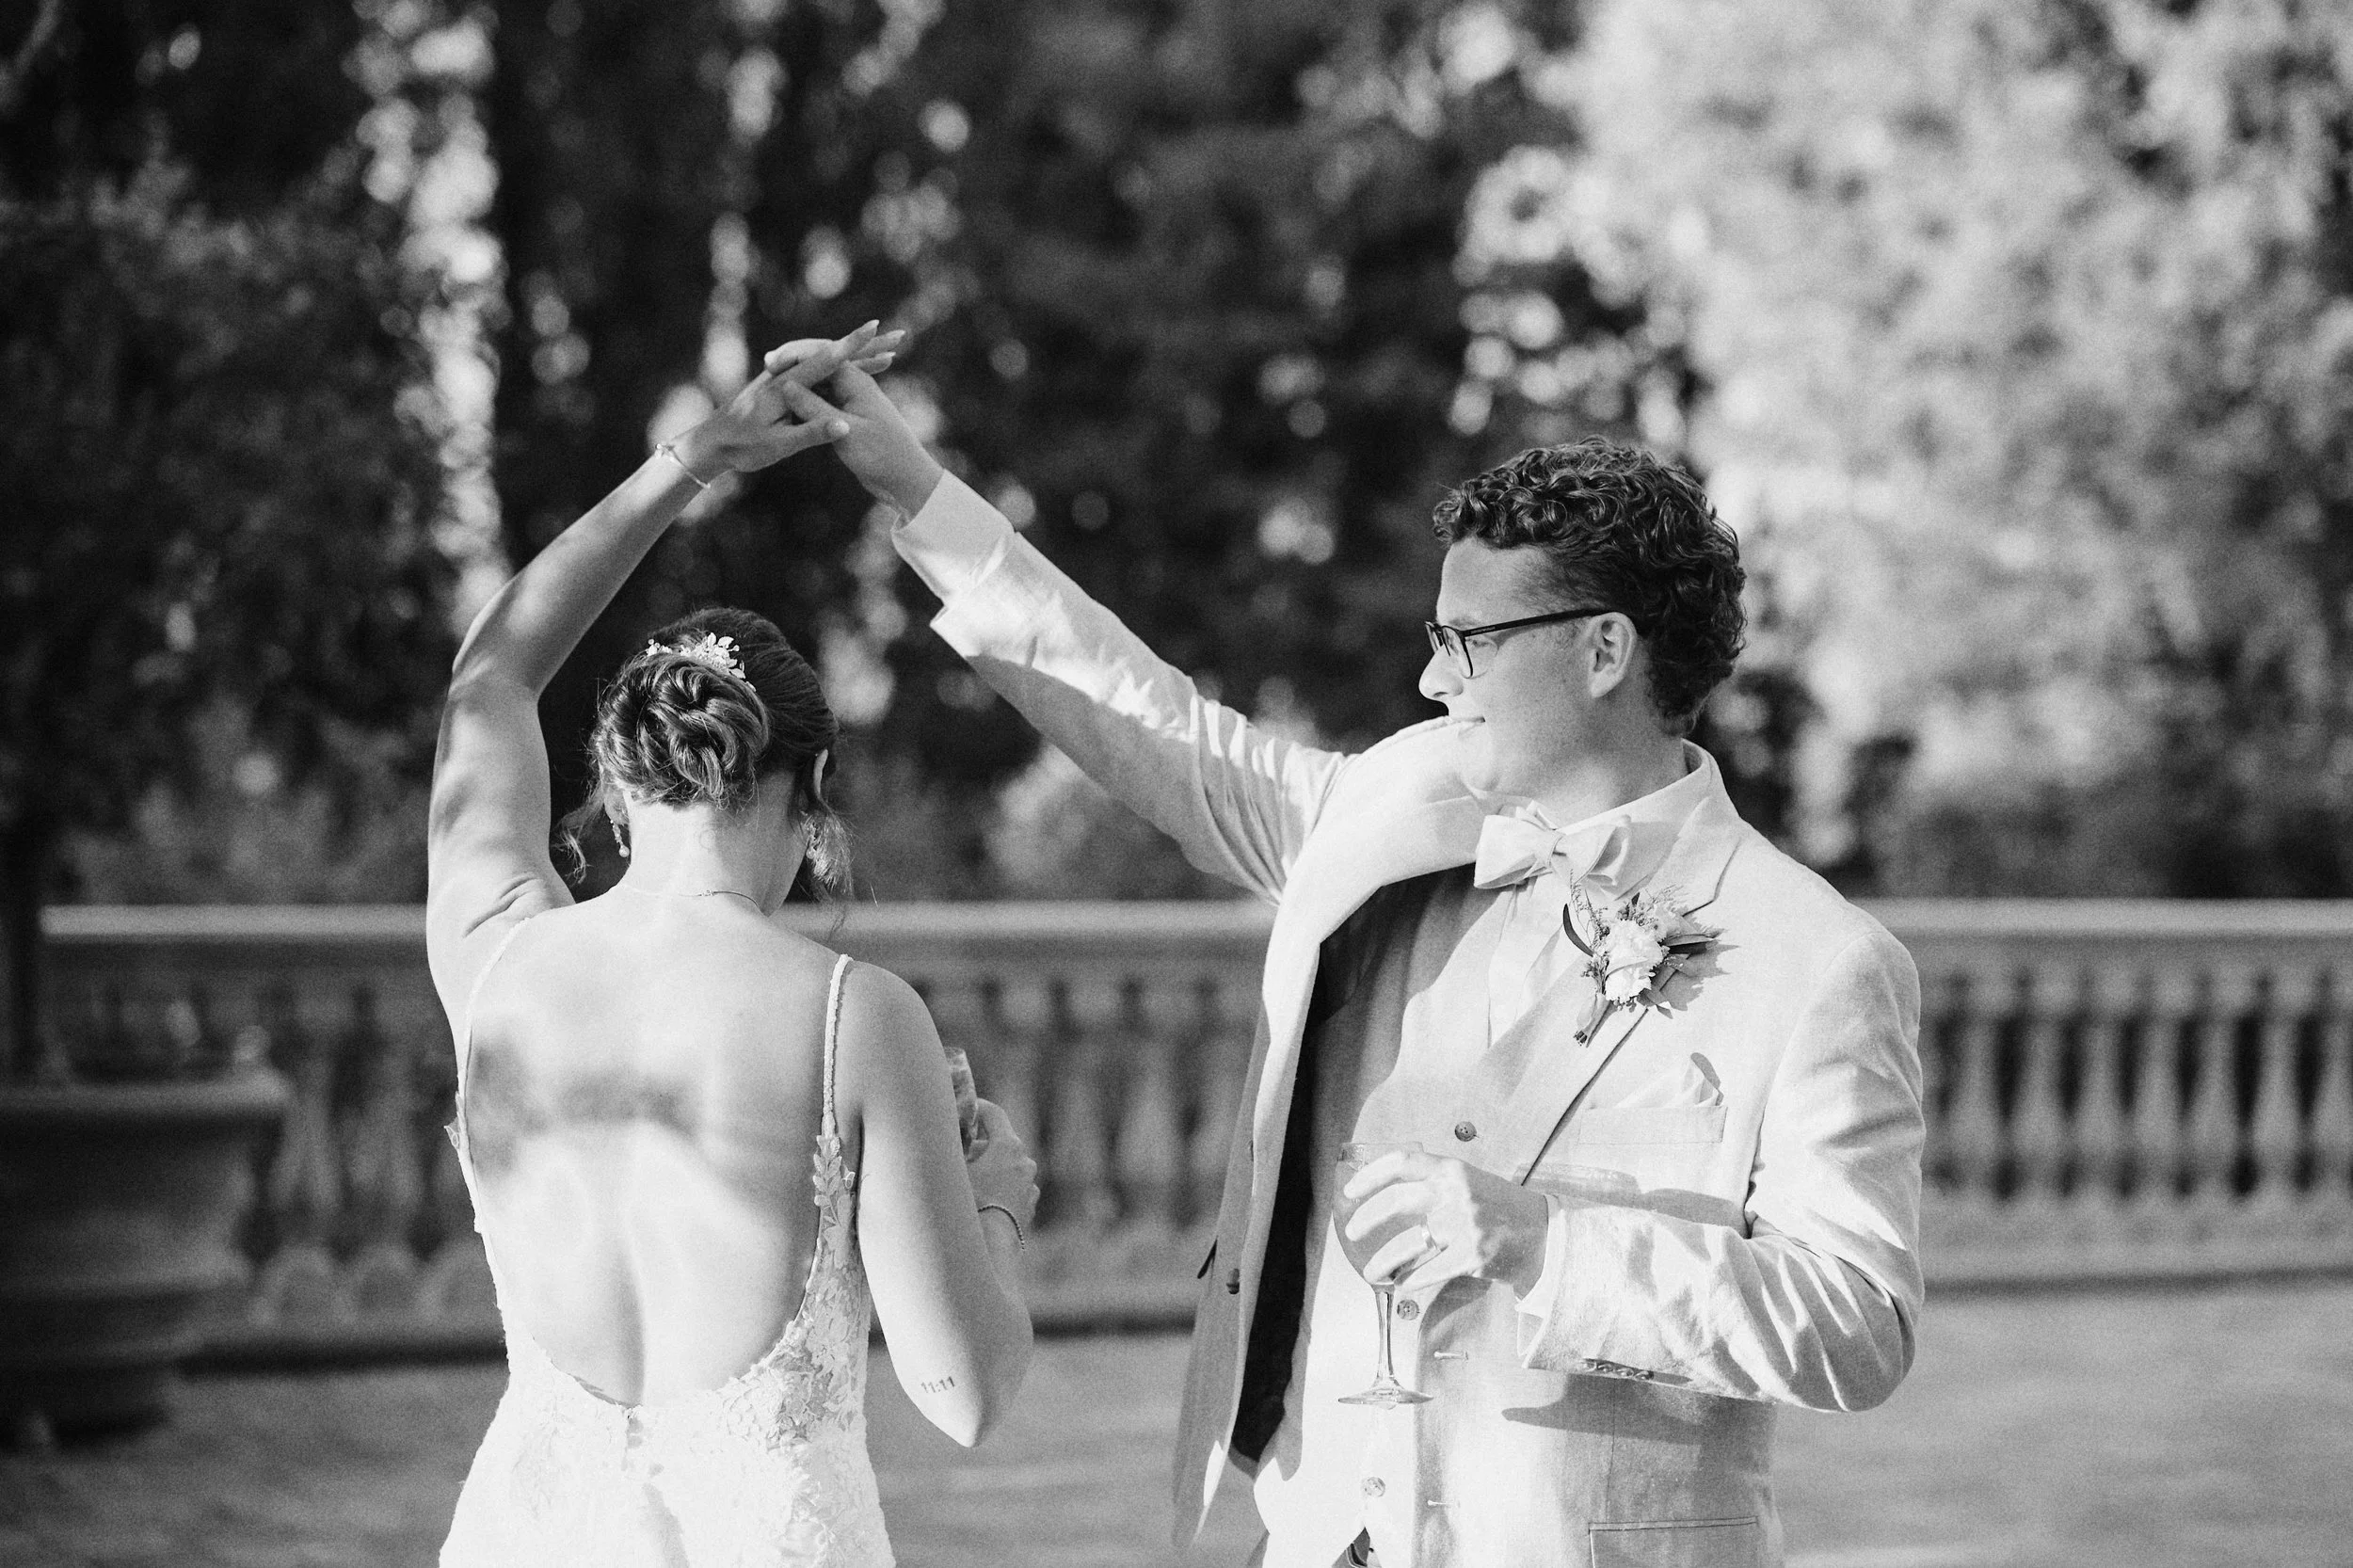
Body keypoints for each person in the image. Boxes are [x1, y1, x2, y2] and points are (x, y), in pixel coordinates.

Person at [788, 355, 1925, 1568]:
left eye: (1468, 642)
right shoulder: (1387, 806)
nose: (1434, 677)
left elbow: (1859, 1323)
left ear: (1603, 651)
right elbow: (1156, 724)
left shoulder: (1817, 961)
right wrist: (912, 485)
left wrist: (1542, 1244)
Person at [424, 322, 1037, 1568]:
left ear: (611, 771)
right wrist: (994, 1205)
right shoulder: (852, 1018)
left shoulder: (495, 961)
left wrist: (697, 456)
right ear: (814, 793)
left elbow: (491, 674)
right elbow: (965, 1393)